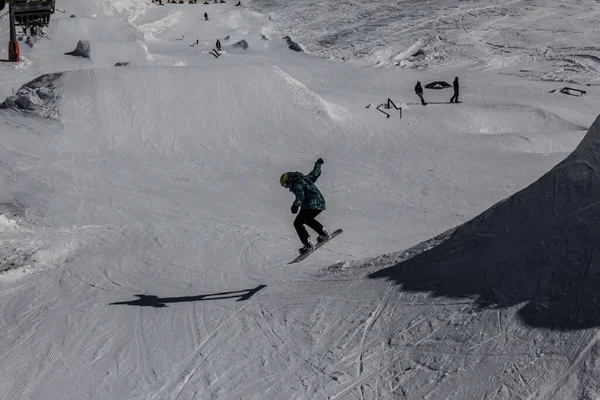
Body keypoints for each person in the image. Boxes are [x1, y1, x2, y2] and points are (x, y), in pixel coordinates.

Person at [280, 158, 330, 254]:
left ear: (288, 180)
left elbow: (300, 196)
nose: (287, 187)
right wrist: (318, 164)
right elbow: (315, 173)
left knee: (299, 222)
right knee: (304, 220)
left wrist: (295, 205)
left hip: (311, 204)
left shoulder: (296, 184)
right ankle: (321, 234)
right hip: (320, 202)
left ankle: (310, 242)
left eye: (285, 185)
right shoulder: (304, 178)